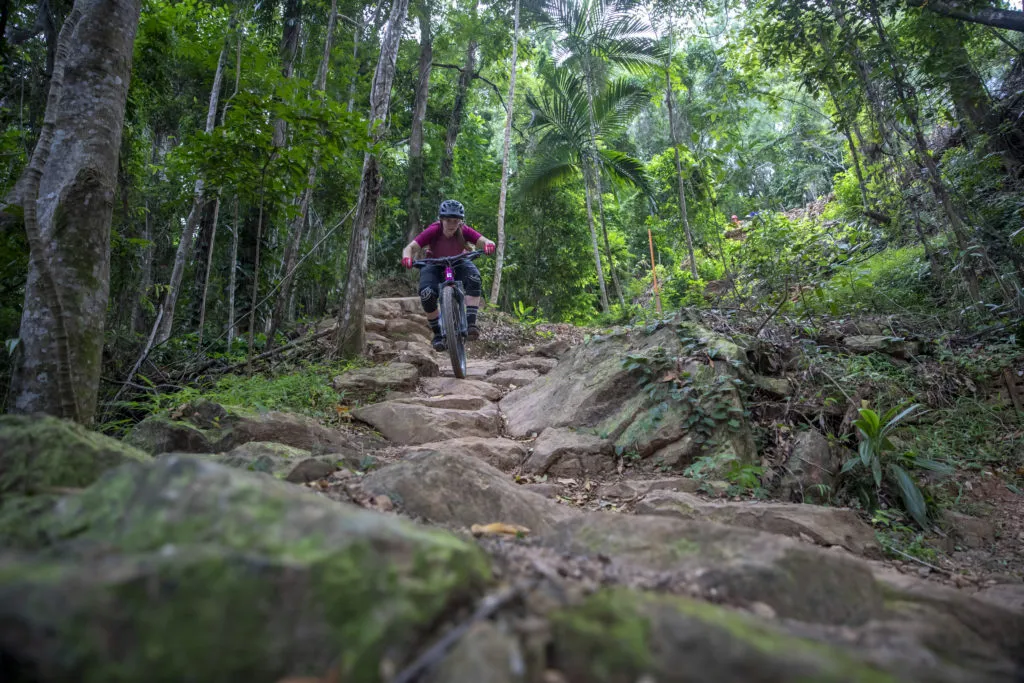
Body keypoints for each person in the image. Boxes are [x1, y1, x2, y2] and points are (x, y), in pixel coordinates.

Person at [401, 199, 495, 351]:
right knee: (426, 294)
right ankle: (438, 334)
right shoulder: (433, 230)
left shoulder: (464, 230)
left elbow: (484, 241)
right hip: (433, 264)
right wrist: (407, 257)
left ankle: (471, 324)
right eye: (448, 220)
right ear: (441, 219)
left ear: (460, 221)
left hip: (459, 261)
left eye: (455, 221)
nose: (451, 224)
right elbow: (409, 248)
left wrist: (489, 245)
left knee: (474, 278)